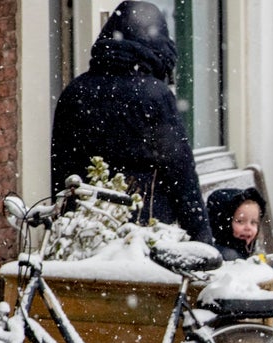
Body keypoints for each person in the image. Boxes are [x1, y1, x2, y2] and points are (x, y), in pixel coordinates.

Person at [50, 1, 214, 244]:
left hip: (86, 232)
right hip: (143, 232)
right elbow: (181, 174)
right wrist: (202, 238)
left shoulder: (74, 92)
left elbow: (62, 171)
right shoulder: (155, 96)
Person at [206, 187, 267, 261]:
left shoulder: (249, 249)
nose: (248, 227)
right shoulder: (228, 257)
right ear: (224, 223)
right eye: (240, 221)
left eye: (253, 222)